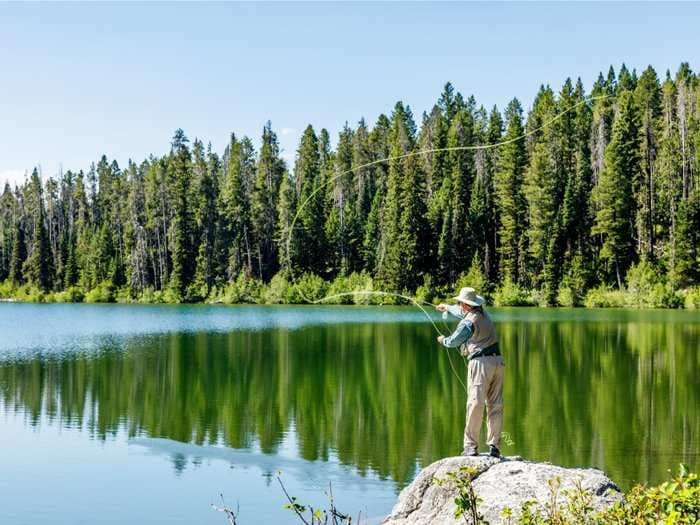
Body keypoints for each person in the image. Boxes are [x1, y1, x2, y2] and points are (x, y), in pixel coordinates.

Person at [436, 287, 504, 458]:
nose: (459, 305)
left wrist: (443, 340)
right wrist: (447, 307)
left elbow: (454, 341)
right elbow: (462, 313)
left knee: (475, 403)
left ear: (466, 305)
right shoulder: (483, 314)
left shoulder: (468, 322)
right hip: (498, 362)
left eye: (460, 303)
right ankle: (494, 447)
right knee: (495, 405)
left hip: (481, 364)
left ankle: (470, 447)